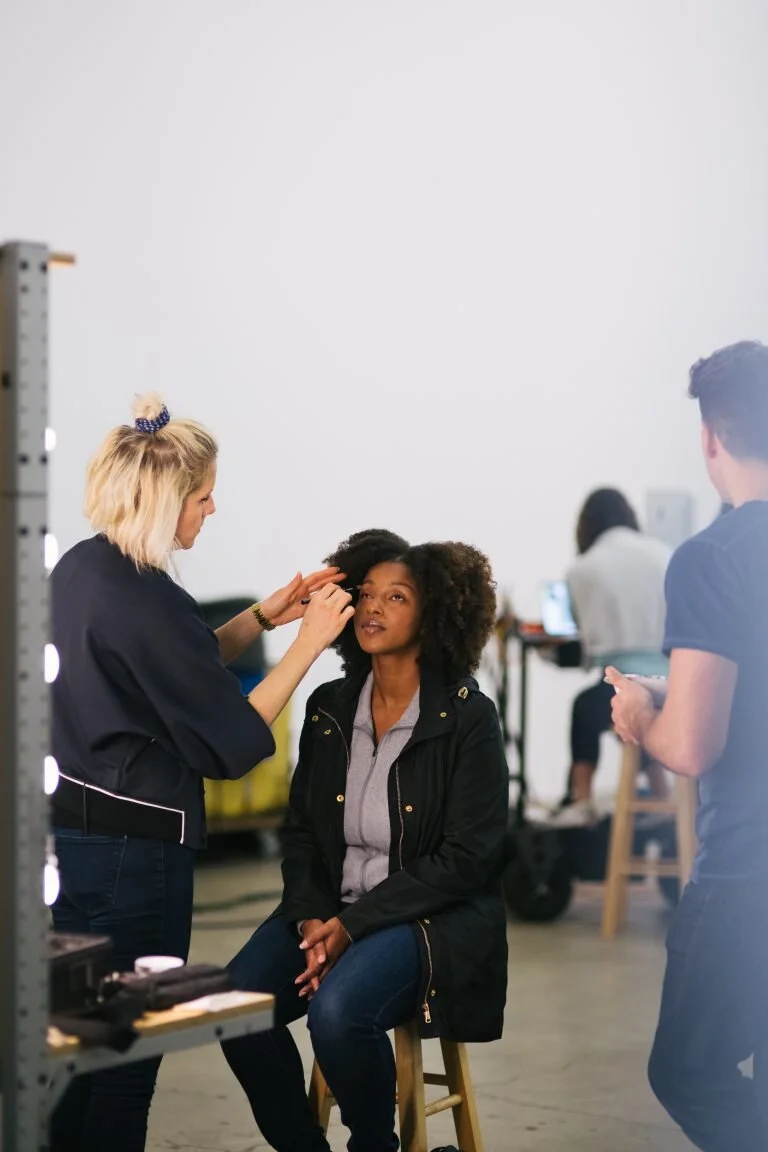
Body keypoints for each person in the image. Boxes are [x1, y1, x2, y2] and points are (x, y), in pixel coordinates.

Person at [49, 393, 353, 1152]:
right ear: (166, 499)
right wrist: (309, 644)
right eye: (204, 496)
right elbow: (231, 742)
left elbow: (173, 668)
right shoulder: (149, 600)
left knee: (83, 1046)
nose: (212, 509)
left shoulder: (85, 569)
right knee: (130, 1057)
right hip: (138, 863)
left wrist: (263, 617)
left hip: (76, 848)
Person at [221, 529, 509, 1152]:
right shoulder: (329, 707)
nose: (373, 607)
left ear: (434, 615)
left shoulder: (468, 718)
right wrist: (312, 916)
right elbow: (302, 832)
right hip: (331, 910)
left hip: (425, 919)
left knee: (337, 1013)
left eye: (397, 597)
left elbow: (467, 860)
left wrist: (352, 927)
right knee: (232, 1005)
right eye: (367, 593)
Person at [608, 340, 768, 1151]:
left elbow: (694, 748)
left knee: (689, 1070)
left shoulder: (713, 557)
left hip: (749, 875)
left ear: (711, 437)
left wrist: (641, 714)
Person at [548, 487, 671, 826]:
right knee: (638, 715)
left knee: (587, 709)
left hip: (626, 683)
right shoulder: (664, 554)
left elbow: (581, 642)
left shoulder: (583, 569)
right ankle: (663, 799)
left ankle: (582, 802)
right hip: (672, 685)